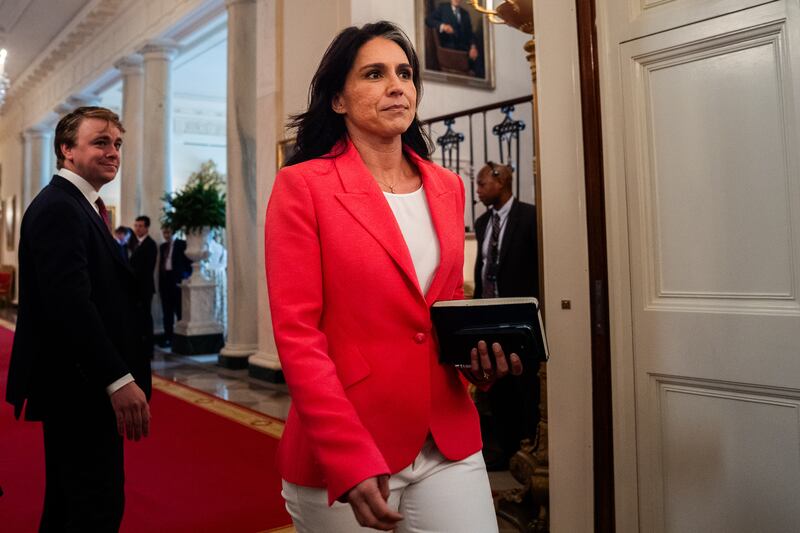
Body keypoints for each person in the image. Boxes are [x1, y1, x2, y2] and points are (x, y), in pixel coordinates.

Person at [265, 21, 521, 533]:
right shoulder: (303, 186)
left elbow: (443, 310)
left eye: (404, 73)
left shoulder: (446, 187)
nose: (397, 85)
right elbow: (298, 336)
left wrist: (476, 363)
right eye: (375, 74)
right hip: (351, 439)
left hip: (445, 435)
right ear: (339, 100)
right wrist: (347, 454)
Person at [5, 106, 152, 531]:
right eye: (101, 142)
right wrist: (117, 379)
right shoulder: (60, 208)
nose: (113, 152)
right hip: (80, 387)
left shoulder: (79, 205)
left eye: (118, 144)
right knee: (94, 508)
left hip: (80, 384)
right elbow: (70, 304)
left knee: (72, 506)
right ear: (67, 149)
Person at [473, 161, 540, 470]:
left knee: (523, 384)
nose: (478, 191)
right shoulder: (482, 222)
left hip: (520, 318)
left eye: (482, 184)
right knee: (495, 386)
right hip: (488, 316)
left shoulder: (529, 217)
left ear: (500, 183)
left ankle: (526, 449)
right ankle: (501, 450)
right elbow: (482, 266)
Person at [424, 0, 484, 77]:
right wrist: (443, 26)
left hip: (464, 48)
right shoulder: (443, 8)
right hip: (449, 48)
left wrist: (473, 47)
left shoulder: (465, 14)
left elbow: (470, 34)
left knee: (479, 57)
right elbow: (428, 20)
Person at [157, 226, 191, 347]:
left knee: (180, 311)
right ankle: (168, 337)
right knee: (167, 312)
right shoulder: (163, 246)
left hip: (177, 281)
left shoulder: (182, 244)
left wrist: (184, 277)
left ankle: (180, 337)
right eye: (164, 232)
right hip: (166, 281)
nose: (166, 234)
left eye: (168, 231)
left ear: (173, 232)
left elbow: (188, 263)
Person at [129, 215, 157, 354]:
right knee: (138, 317)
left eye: (140, 226)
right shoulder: (135, 243)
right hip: (136, 287)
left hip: (144, 287)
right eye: (136, 225)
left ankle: (149, 348)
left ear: (146, 228)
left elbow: (146, 268)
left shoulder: (150, 244)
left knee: (146, 316)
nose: (137, 228)